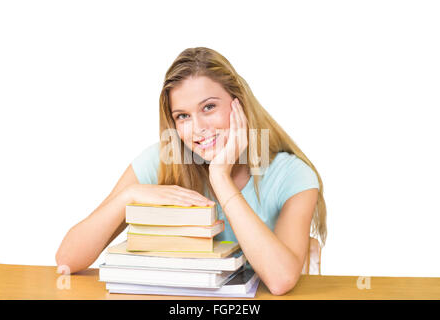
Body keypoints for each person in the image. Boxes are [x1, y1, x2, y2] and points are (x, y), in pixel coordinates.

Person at [55, 47, 327, 295]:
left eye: (209, 107)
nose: (197, 128)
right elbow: (67, 259)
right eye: (183, 116)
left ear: (238, 103)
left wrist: (220, 177)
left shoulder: (293, 176)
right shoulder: (162, 160)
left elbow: (280, 281)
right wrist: (130, 195)